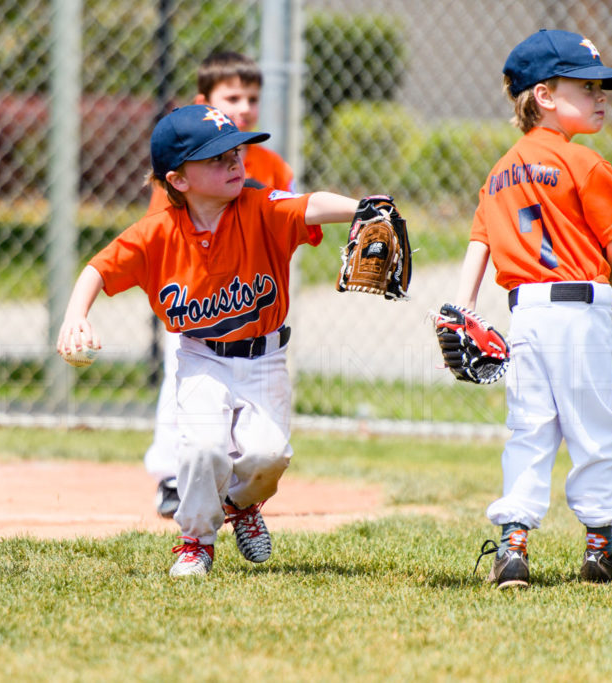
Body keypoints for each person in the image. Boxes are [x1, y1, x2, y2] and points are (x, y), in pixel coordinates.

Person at [57, 104, 400, 577]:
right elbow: (99, 267)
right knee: (202, 450)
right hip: (200, 358)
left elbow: (307, 204)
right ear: (179, 180)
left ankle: (241, 506)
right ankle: (195, 542)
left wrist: (362, 207)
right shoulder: (157, 233)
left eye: (236, 152)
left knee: (268, 455)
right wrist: (76, 314)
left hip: (265, 357)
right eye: (216, 159)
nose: (235, 163)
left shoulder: (259, 206)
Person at [456, 30, 612, 588]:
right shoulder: (582, 162)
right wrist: (608, 293)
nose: (601, 96)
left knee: (530, 428)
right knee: (593, 429)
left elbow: (480, 241)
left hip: (527, 317)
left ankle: (513, 545)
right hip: (580, 305)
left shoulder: (499, 171)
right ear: (544, 94)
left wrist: (463, 308)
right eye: (586, 87)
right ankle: (600, 546)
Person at [146, 51, 295, 520]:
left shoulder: (270, 165)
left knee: (251, 406)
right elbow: (160, 234)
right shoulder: (184, 169)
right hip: (197, 305)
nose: (245, 107)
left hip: (249, 305)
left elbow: (291, 219)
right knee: (183, 391)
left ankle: (234, 493)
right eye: (232, 97)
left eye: (252, 97)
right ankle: (171, 475)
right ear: (203, 103)